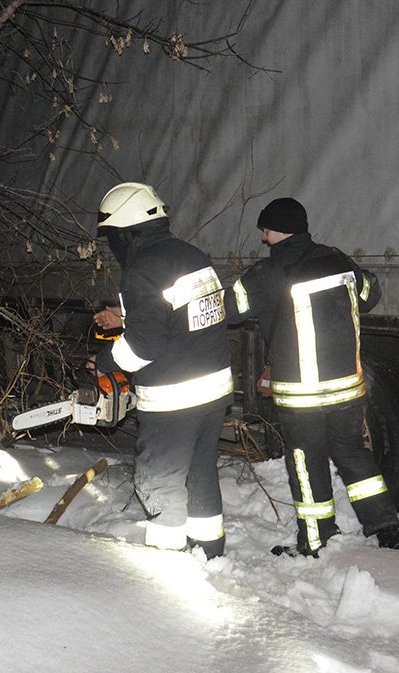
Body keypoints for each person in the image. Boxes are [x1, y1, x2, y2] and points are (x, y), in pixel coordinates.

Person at [227, 197, 399, 557]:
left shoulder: (266, 275)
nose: (263, 238)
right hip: (346, 387)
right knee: (355, 455)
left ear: (277, 230)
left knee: (306, 462)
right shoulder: (336, 259)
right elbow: (370, 294)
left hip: (302, 396)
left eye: (265, 230)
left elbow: (229, 310)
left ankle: (315, 541)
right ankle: (387, 529)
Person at [92, 182, 234, 559]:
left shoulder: (141, 270)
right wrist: (125, 316)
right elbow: (183, 313)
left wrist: (104, 360)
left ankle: (167, 561)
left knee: (160, 480)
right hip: (213, 391)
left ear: (125, 233)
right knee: (200, 473)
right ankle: (209, 549)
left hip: (174, 398)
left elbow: (145, 346)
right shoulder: (191, 255)